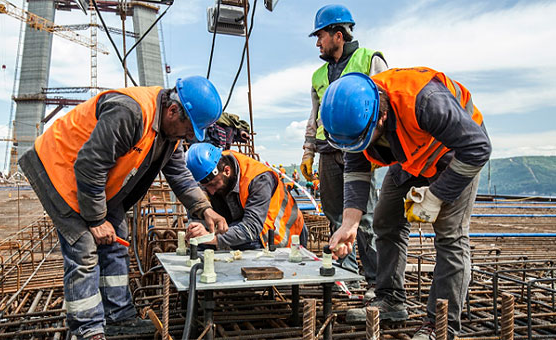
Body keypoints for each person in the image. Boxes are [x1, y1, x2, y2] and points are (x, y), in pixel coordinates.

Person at [18, 76, 228, 340]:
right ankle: (88, 329)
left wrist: (204, 209)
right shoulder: (130, 112)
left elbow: (179, 175)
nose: (188, 137)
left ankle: (118, 316)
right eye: (188, 131)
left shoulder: (169, 132)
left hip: (98, 183)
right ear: (173, 110)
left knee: (117, 240)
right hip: (61, 171)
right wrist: (95, 220)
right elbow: (90, 164)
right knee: (83, 248)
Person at [323, 68, 491, 340]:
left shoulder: (425, 101)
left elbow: (478, 148)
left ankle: (442, 326)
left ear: (382, 115)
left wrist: (437, 195)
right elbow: (356, 168)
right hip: (411, 153)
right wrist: (350, 223)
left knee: (450, 236)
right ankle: (390, 299)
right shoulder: (354, 118)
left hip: (458, 154)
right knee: (385, 220)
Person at [300, 4, 385, 297]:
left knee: (365, 217)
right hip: (328, 150)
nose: (318, 42)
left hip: (360, 148)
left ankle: (375, 280)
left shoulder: (369, 59)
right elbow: (315, 116)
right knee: (336, 214)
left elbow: (382, 103)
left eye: (321, 35)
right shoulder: (318, 76)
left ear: (339, 34)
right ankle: (348, 276)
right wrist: (308, 152)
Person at [185, 143, 307, 250]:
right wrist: (197, 229)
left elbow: (251, 228)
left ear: (227, 171)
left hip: (281, 234)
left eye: (213, 184)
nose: (211, 192)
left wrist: (211, 238)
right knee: (202, 244)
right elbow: (198, 211)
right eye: (206, 187)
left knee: (243, 243)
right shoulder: (206, 171)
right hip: (243, 225)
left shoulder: (259, 179)